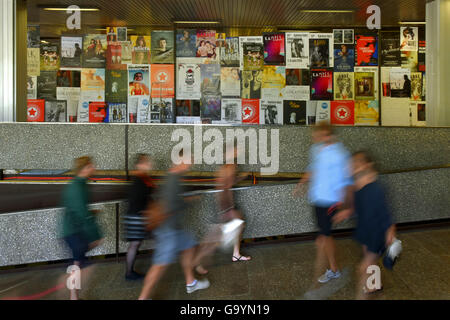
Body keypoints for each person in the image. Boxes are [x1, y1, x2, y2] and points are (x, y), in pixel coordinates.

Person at [138, 153, 210, 300]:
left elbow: (170, 200)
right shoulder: (172, 179)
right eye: (189, 160)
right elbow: (171, 205)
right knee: (159, 265)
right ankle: (143, 298)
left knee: (189, 246)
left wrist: (185, 200)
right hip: (168, 230)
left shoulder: (173, 177)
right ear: (180, 160)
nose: (191, 163)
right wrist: (189, 200)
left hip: (176, 228)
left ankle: (191, 282)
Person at [293, 122, 353, 285]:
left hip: (331, 200)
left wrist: (346, 207)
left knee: (324, 237)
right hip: (317, 199)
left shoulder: (341, 154)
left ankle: (333, 270)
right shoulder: (315, 149)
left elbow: (347, 180)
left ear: (327, 135)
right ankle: (332, 268)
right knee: (324, 236)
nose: (314, 138)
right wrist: (301, 183)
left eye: (317, 136)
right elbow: (313, 168)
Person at [335, 151, 396, 299]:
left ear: (366, 166)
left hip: (376, 232)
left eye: (356, 164)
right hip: (365, 230)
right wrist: (348, 212)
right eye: (352, 164)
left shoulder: (375, 189)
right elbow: (357, 206)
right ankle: (374, 285)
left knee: (363, 267)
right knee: (369, 260)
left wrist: (390, 230)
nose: (352, 167)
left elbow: (385, 212)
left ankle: (361, 295)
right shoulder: (358, 186)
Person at [60, 156, 104, 299]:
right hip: (74, 232)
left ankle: (74, 295)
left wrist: (91, 212)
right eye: (91, 166)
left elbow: (77, 209)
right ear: (84, 168)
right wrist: (96, 235)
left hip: (74, 231)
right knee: (77, 265)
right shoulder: (78, 187)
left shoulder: (79, 184)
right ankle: (73, 296)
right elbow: (82, 214)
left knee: (77, 264)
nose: (94, 168)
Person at [216, 145, 251, 262]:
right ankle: (199, 259)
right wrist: (229, 209)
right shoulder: (231, 166)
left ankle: (236, 253)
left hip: (225, 206)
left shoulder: (226, 167)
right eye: (235, 150)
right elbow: (227, 187)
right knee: (237, 226)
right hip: (228, 206)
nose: (238, 151)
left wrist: (242, 177)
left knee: (240, 225)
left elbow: (227, 183)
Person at [123, 154, 156, 280]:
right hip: (136, 217)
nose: (149, 165)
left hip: (135, 216)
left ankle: (130, 272)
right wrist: (147, 212)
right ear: (139, 164)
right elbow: (137, 199)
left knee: (135, 243)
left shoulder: (141, 178)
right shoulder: (139, 179)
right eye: (146, 163)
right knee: (135, 243)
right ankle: (129, 273)